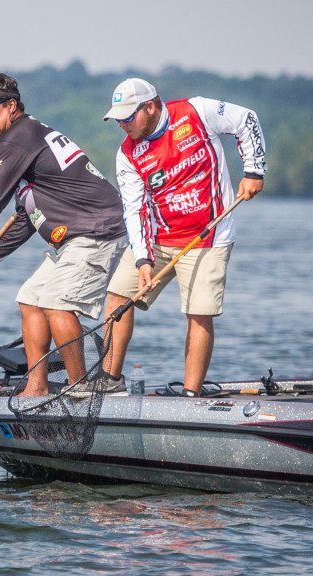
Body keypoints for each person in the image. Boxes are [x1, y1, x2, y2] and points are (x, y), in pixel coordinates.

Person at [0, 72, 127, 396]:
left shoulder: (17, 139)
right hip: (75, 238)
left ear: (11, 106)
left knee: (57, 305)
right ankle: (36, 387)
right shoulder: (28, 138)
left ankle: (80, 390)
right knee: (30, 299)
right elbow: (27, 219)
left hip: (98, 231)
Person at [100, 78, 267, 397]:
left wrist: (254, 171)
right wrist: (143, 260)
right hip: (159, 237)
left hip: (210, 235)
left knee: (198, 313)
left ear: (150, 106)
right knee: (119, 295)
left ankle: (191, 393)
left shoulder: (197, 111)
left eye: (128, 116)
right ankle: (109, 381)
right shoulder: (127, 155)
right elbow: (134, 210)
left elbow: (247, 119)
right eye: (118, 119)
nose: (123, 125)